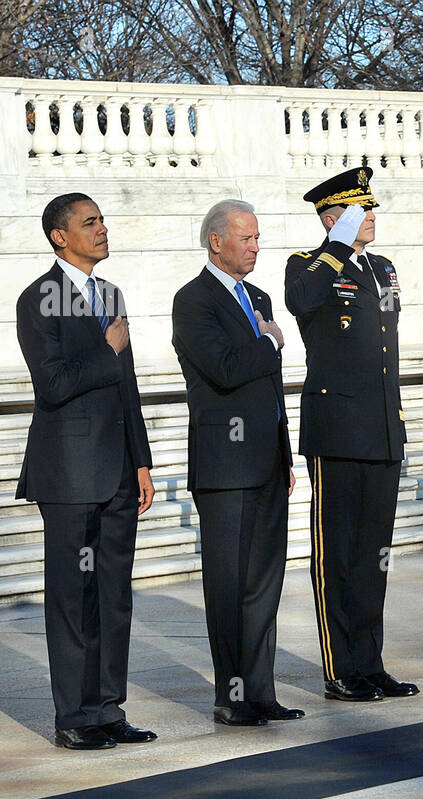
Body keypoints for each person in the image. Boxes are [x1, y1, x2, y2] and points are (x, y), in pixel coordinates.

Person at [15, 193, 156, 750]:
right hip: (70, 472)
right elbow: (52, 383)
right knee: (73, 595)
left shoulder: (111, 294)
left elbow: (128, 386)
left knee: (114, 594)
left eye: (101, 220)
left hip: (119, 468)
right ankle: (73, 716)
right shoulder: (38, 298)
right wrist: (105, 347)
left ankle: (107, 708)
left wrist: (141, 459)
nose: (102, 229)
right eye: (89, 222)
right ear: (59, 236)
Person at [284, 167, 419, 703]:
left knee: (373, 555)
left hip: (383, 428)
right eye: (362, 210)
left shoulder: (381, 267)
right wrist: (337, 243)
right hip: (338, 431)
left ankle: (370, 663)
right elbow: (302, 301)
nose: (374, 217)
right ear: (333, 218)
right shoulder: (308, 265)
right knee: (336, 554)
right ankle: (341, 668)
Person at [171, 199, 304, 726]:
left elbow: (269, 388)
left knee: (264, 583)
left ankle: (261, 692)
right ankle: (231, 697)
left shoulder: (259, 295)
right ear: (216, 241)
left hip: (267, 460)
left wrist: (284, 453)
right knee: (228, 585)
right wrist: (267, 341)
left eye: (257, 238)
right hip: (226, 466)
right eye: (245, 238)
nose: (254, 247)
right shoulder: (193, 300)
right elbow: (225, 369)